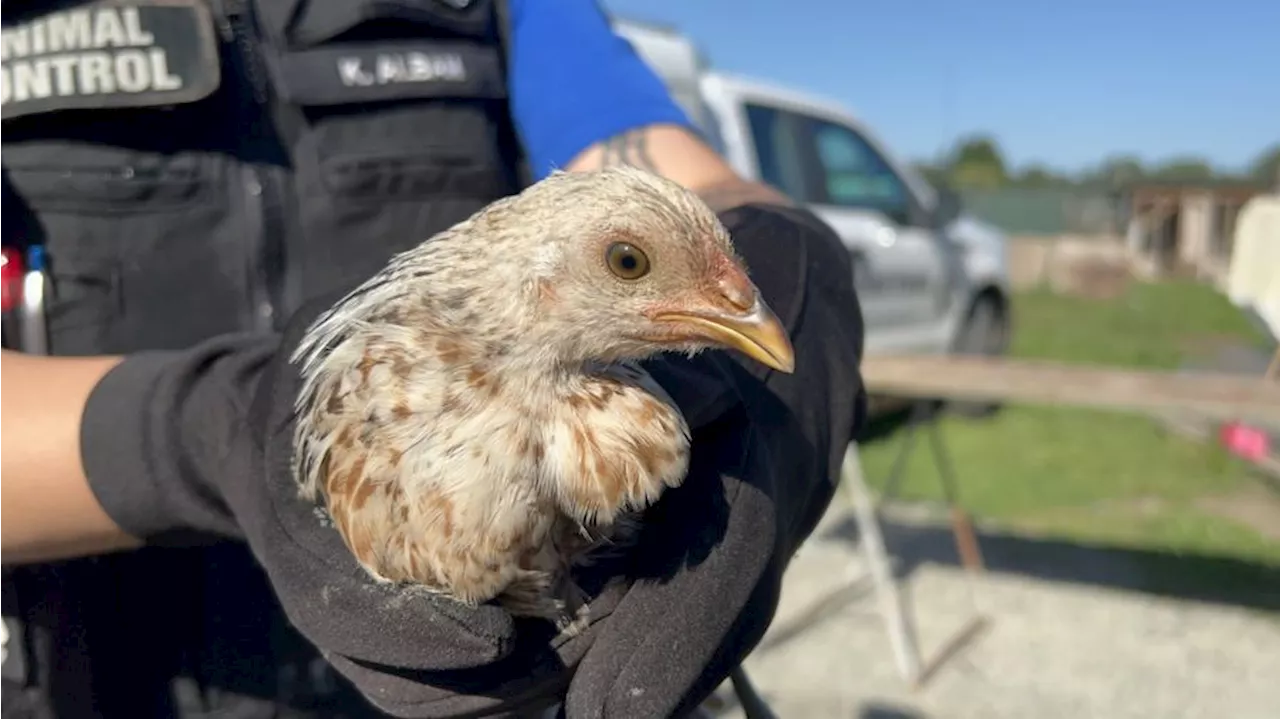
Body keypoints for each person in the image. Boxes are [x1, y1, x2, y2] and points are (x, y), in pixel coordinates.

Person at [0, 0, 867, 717]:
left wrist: (792, 267)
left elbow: (661, 162)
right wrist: (202, 433)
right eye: (630, 268)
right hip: (102, 673)